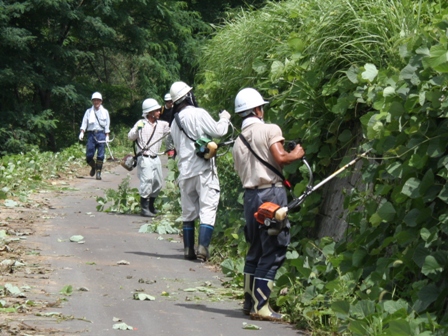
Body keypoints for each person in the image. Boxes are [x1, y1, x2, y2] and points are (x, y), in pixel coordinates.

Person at [232, 88, 305, 321]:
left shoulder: (237, 142)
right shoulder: (270, 129)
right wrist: (297, 153)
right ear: (257, 110)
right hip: (271, 194)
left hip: (250, 197)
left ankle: (248, 303)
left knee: (255, 248)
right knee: (273, 248)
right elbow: (281, 158)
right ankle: (261, 307)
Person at [169, 81, 231, 261]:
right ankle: (203, 248)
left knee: (188, 212)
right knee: (208, 208)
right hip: (203, 171)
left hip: (185, 172)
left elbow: (178, 148)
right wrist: (225, 118)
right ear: (188, 96)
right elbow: (219, 131)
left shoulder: (174, 122)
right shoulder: (199, 113)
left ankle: (188, 249)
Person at [128, 98, 170, 217]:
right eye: (156, 110)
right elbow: (130, 137)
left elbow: (172, 129)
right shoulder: (141, 123)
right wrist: (137, 129)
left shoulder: (162, 125)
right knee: (147, 181)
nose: (159, 112)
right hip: (144, 157)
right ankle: (144, 208)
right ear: (150, 112)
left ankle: (151, 206)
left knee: (157, 182)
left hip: (155, 157)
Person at [79, 92, 111, 180]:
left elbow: (107, 124)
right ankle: (93, 166)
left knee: (101, 155)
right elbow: (84, 122)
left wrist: (107, 135)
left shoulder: (105, 112)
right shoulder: (88, 112)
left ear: (101, 101)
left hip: (101, 134)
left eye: (98, 100)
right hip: (91, 134)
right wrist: (82, 131)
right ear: (92, 101)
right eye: (94, 100)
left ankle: (98, 173)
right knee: (89, 156)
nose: (96, 102)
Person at [159, 93, 176, 159]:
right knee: (168, 144)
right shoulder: (162, 109)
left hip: (175, 128)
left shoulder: (175, 108)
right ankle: (171, 159)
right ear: (165, 102)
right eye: (168, 102)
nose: (170, 103)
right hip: (167, 130)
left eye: (171, 101)